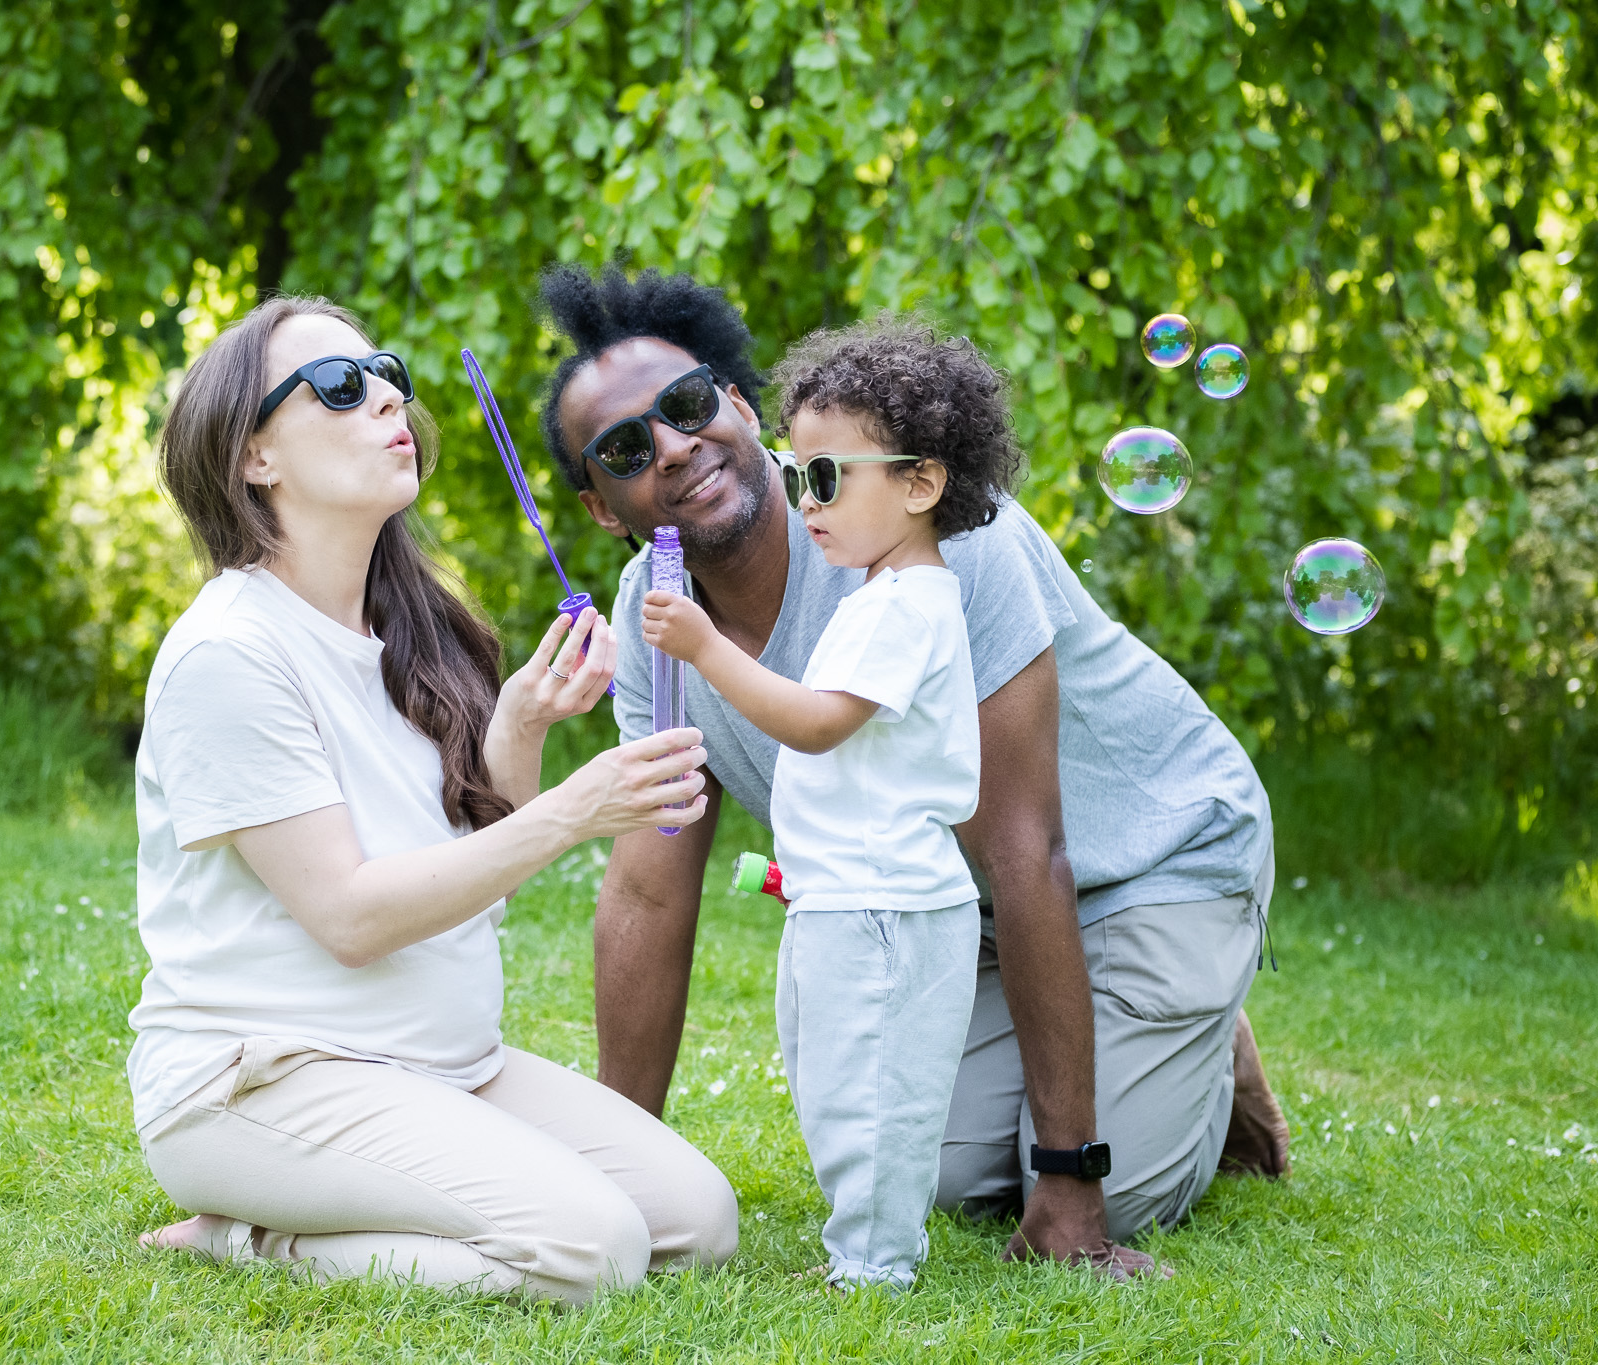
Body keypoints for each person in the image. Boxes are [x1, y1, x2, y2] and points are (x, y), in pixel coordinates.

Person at [538, 265, 1292, 1281]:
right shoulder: (652, 613)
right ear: (600, 507)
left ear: (738, 404)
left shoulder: (929, 535)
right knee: (914, 1165)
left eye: (684, 405)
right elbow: (645, 887)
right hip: (951, 908)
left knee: (1112, 1181)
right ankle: (1134, 1034)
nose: (672, 448)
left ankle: (1193, 1031)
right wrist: (618, 1172)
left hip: (1148, 857)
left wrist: (1070, 1182)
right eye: (626, 448)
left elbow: (1030, 846)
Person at [127, 295, 737, 1306]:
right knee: (591, 1253)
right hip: (264, 1081)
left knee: (696, 1223)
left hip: (439, 1064)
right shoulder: (229, 653)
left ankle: (366, 1194)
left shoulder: (406, 630)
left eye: (389, 374)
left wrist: (522, 728)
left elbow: (466, 890)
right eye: (337, 385)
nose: (386, 398)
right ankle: (243, 1237)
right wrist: (577, 810)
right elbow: (353, 918)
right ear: (252, 458)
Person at [641, 317, 1019, 1291]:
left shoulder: (907, 603)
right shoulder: (879, 594)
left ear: (919, 484)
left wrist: (702, 649)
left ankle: (875, 1261)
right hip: (844, 897)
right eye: (798, 474)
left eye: (824, 479)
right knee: (827, 1079)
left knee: (873, 1094)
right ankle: (860, 1245)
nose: (800, 500)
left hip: (886, 904)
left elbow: (813, 725)